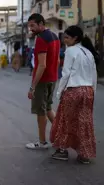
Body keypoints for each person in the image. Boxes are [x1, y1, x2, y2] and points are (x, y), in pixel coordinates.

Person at [50, 25, 98, 164]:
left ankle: (62, 151)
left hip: (74, 90)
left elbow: (65, 74)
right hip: (88, 91)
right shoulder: (88, 52)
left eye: (67, 37)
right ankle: (84, 155)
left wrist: (59, 92)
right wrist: (92, 91)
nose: (64, 40)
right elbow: (93, 74)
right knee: (84, 123)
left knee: (65, 121)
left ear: (75, 38)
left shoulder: (71, 51)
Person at [26, 13, 60, 150]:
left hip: (43, 80)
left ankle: (42, 142)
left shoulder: (41, 39)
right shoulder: (55, 37)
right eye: (29, 26)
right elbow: (57, 60)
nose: (31, 29)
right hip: (52, 78)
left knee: (41, 111)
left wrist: (32, 87)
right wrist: (54, 74)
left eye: (33, 25)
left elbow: (42, 65)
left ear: (41, 24)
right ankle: (61, 135)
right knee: (49, 108)